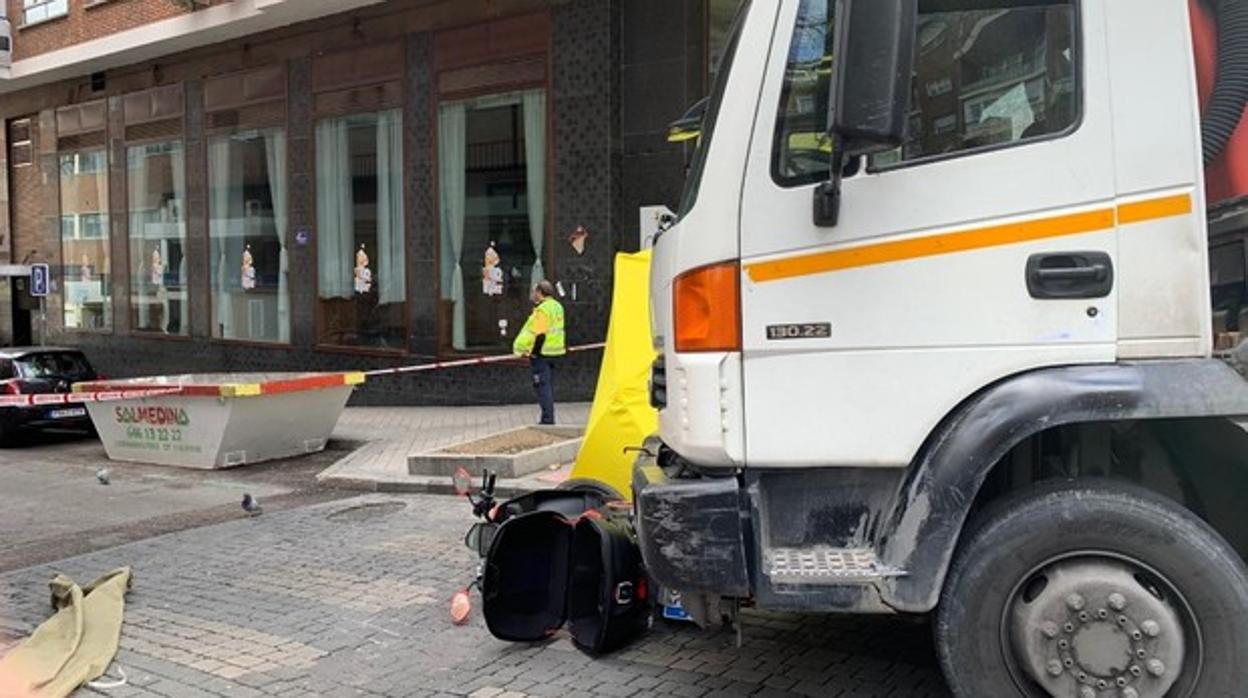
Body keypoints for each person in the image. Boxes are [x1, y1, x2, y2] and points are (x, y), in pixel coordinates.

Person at [513, 280, 566, 425]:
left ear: (539, 292)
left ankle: (547, 420)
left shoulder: (543, 309)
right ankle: (548, 418)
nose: (532, 294)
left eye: (534, 291)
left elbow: (540, 334)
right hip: (555, 352)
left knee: (542, 387)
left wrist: (534, 352)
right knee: (547, 386)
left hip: (542, 354)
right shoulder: (557, 306)